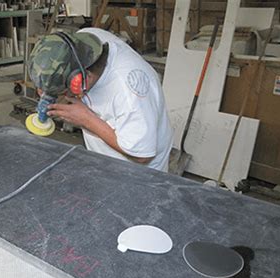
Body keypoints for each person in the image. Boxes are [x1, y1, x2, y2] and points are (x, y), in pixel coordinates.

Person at [28, 28, 173, 171]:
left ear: (83, 79)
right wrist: (50, 88)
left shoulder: (129, 92)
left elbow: (142, 155)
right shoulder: (83, 43)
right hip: (102, 161)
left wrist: (86, 120)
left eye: (66, 91)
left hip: (136, 173)